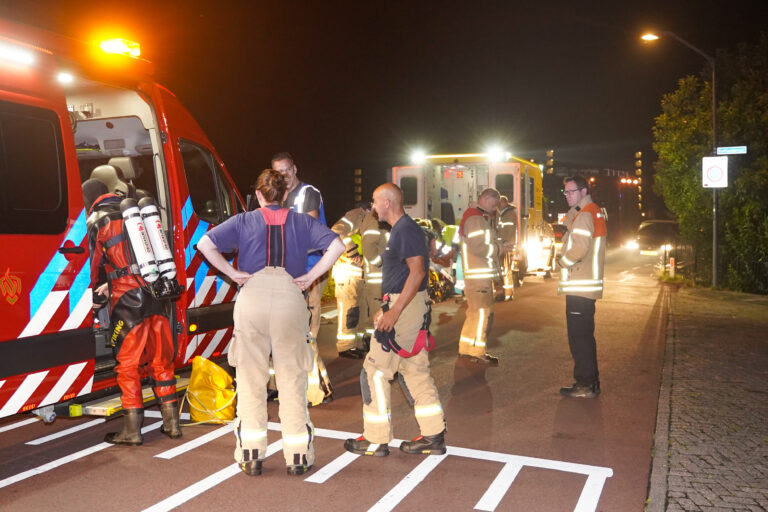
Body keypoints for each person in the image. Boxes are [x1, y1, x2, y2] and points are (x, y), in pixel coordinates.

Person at [197, 169, 344, 476]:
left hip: (252, 296)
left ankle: (251, 454)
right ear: (285, 195)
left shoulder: (243, 220)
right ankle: (298, 456)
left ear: (259, 195)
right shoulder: (302, 221)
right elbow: (337, 246)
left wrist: (233, 273)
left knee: (251, 380)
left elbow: (205, 244)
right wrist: (310, 277)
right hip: (290, 296)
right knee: (292, 380)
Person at [344, 183, 446, 457]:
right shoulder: (403, 231)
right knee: (414, 371)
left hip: (405, 311)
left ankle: (376, 439)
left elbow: (417, 272)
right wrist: (386, 306)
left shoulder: (406, 231)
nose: (373, 207)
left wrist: (394, 311)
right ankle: (433, 435)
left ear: (388, 202)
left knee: (374, 371)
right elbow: (404, 276)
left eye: (376, 202)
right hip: (407, 308)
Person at [83, 178, 181, 446]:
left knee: (128, 365)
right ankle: (172, 424)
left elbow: (91, 264)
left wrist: (92, 291)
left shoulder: (96, 219)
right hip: (155, 293)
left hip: (127, 300)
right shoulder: (137, 213)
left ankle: (132, 430)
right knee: (161, 360)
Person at [271, 152, 333, 405]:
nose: (284, 176)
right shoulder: (275, 195)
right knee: (278, 331)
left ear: (295, 169)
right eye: (278, 172)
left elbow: (309, 232)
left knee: (306, 332)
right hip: (284, 272)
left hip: (309, 271)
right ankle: (276, 385)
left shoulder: (308, 193)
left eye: (287, 171)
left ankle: (317, 390)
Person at [557, 176, 606, 399]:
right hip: (586, 286)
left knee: (579, 339)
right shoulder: (593, 211)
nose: (567, 195)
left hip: (580, 286)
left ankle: (585, 384)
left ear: (583, 191)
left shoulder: (584, 214)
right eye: (565, 192)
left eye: (571, 191)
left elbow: (579, 249)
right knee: (585, 336)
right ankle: (590, 382)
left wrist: (562, 262)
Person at [457, 188, 509, 365]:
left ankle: (466, 350)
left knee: (474, 314)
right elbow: (478, 247)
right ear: (486, 200)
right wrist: (499, 249)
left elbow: (480, 244)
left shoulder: (476, 217)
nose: (495, 208)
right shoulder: (476, 219)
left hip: (477, 275)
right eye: (494, 205)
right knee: (481, 314)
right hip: (478, 276)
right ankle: (477, 352)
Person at [330, 204, 370, 358]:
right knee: (349, 311)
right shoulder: (357, 215)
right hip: (347, 273)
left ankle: (356, 344)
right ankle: (345, 347)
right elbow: (337, 230)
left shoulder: (363, 219)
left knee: (357, 311)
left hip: (355, 274)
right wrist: (352, 251)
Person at [360, 210, 389, 348]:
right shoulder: (374, 219)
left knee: (377, 312)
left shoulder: (378, 219)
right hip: (377, 277)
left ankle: (375, 342)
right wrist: (379, 262)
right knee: (377, 311)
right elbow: (368, 245)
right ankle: (376, 344)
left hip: (381, 276)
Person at [496, 195, 518, 301]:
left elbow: (507, 231)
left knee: (505, 271)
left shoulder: (508, 215)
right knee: (506, 270)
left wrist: (504, 244)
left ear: (503, 203)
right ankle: (508, 293)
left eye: (499, 204)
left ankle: (506, 294)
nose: (498, 207)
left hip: (506, 246)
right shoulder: (508, 213)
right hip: (506, 245)